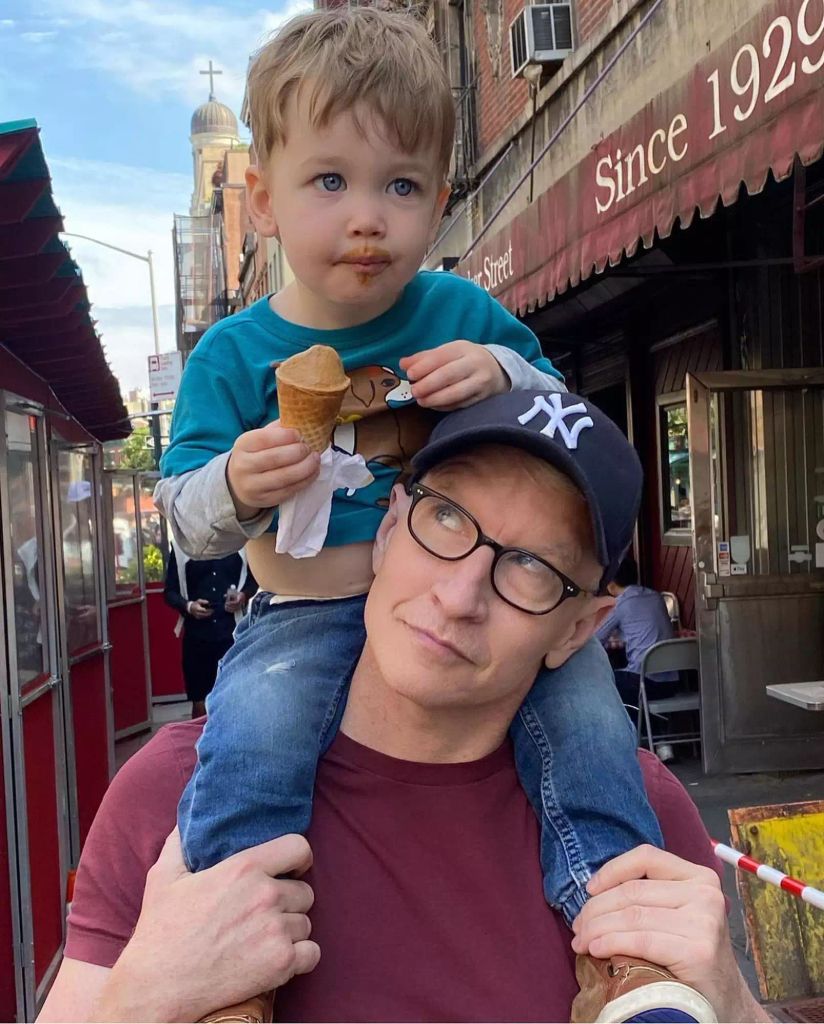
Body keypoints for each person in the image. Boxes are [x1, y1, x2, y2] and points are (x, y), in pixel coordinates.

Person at [153, 8, 664, 949]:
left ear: (438, 205)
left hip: (471, 603)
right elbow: (184, 518)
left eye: (401, 185)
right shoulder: (232, 353)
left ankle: (622, 934)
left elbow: (565, 413)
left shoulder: (460, 310)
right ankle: (232, 946)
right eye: (330, 180)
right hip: (302, 612)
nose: (367, 216)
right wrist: (235, 479)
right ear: (262, 200)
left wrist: (501, 372)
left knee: (592, 723)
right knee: (253, 743)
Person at [40, 392, 768, 1024]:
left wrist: (733, 1004)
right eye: (447, 517)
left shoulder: (636, 817)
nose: (458, 596)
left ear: (578, 629)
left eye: (531, 566)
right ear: (388, 528)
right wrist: (142, 998)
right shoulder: (180, 791)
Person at [163, 547, 258, 718]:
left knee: (234, 697)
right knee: (200, 701)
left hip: (232, 635)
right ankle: (200, 735)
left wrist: (243, 596)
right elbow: (170, 592)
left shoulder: (239, 543)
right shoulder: (182, 547)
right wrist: (189, 606)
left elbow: (254, 580)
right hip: (197, 636)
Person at [596, 555, 677, 709]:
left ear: (610, 583)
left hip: (642, 685)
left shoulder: (620, 603)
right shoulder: (656, 596)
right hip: (671, 683)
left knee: (598, 681)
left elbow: (596, 639)